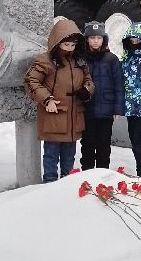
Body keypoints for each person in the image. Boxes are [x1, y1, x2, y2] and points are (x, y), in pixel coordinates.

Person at [24, 18, 94, 182]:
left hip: (74, 116)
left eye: (73, 45)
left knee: (69, 154)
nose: (69, 48)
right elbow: (30, 80)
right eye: (66, 45)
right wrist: (47, 99)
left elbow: (88, 80)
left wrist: (87, 90)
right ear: (57, 42)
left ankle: (67, 181)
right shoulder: (45, 61)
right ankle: (49, 182)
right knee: (51, 154)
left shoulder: (79, 61)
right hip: (54, 114)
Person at [80, 20, 124, 170]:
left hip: (106, 111)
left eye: (99, 37)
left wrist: (117, 109)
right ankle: (87, 175)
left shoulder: (111, 59)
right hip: (87, 110)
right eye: (92, 37)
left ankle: (102, 175)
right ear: (87, 39)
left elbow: (119, 85)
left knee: (104, 146)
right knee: (87, 144)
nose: (96, 41)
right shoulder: (81, 59)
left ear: (103, 39)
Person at [121, 21, 141, 178]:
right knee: (134, 140)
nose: (135, 43)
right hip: (129, 107)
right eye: (132, 40)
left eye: (138, 40)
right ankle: (140, 171)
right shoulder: (125, 59)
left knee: (139, 139)